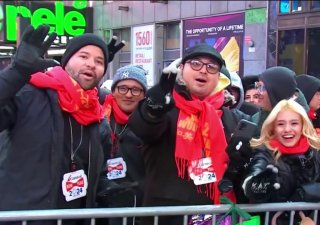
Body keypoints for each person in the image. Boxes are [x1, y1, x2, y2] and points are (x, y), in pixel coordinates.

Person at [0, 25, 117, 222]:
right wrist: (16, 72)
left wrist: (103, 186)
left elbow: (99, 168)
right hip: (23, 218)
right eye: (83, 56)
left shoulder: (98, 120)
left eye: (99, 61)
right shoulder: (30, 94)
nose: (91, 64)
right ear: (66, 61)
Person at [127, 43, 250, 225]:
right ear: (182, 68)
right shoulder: (166, 107)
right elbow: (143, 128)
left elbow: (241, 166)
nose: (203, 71)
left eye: (211, 67)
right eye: (196, 64)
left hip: (216, 214)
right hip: (168, 217)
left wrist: (242, 161)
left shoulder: (231, 118)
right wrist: (154, 107)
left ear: (218, 77)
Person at [242, 99, 320, 224]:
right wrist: (257, 185)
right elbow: (255, 175)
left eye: (294, 123)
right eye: (281, 124)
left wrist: (305, 192)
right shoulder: (266, 153)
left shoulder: (319, 152)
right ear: (273, 128)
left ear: (303, 125)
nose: (287, 129)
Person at [101, 65, 148, 224]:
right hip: (102, 204)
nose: (129, 94)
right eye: (122, 88)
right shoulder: (98, 117)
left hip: (137, 207)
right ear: (113, 91)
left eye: (136, 90)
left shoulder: (150, 124)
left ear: (143, 95)